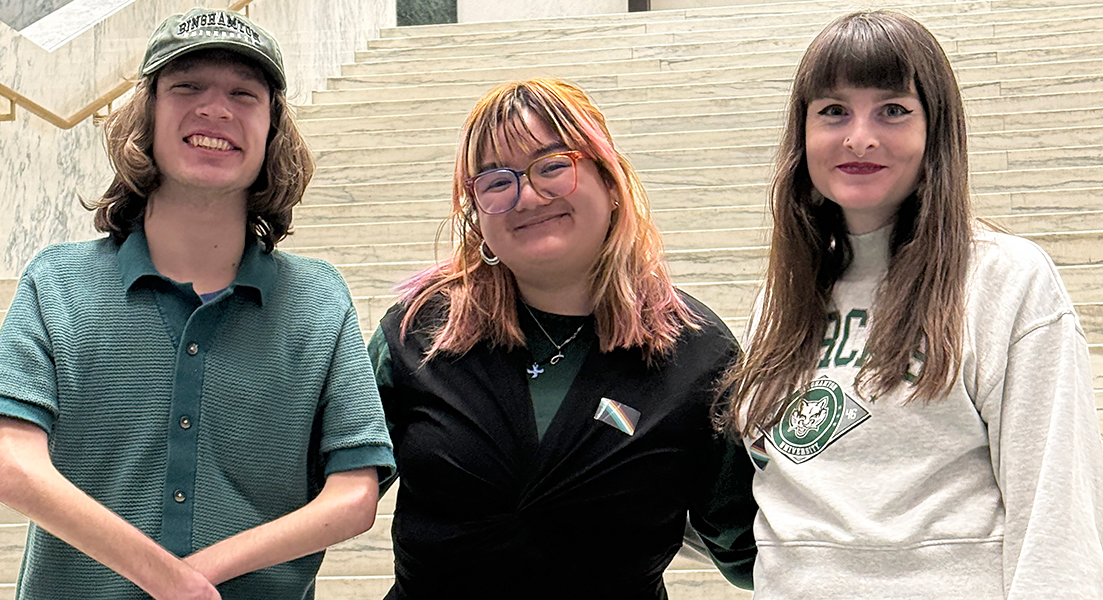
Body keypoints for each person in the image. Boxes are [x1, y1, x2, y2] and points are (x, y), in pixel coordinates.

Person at [0, 8, 394, 599]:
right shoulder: (57, 281)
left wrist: (194, 577)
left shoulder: (319, 300)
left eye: (244, 94)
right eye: (186, 87)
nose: (215, 109)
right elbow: (15, 469)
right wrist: (163, 576)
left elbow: (354, 494)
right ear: (144, 117)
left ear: (273, 130)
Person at [720, 11, 1103, 599]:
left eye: (893, 110)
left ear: (935, 132)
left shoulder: (1005, 277)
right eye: (833, 111)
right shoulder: (784, 295)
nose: (860, 137)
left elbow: (1058, 512)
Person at [367, 78, 758, 599]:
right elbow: (325, 491)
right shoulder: (418, 330)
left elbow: (749, 549)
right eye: (495, 181)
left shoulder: (697, 353)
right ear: (477, 214)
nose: (527, 195)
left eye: (554, 165)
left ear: (612, 182)